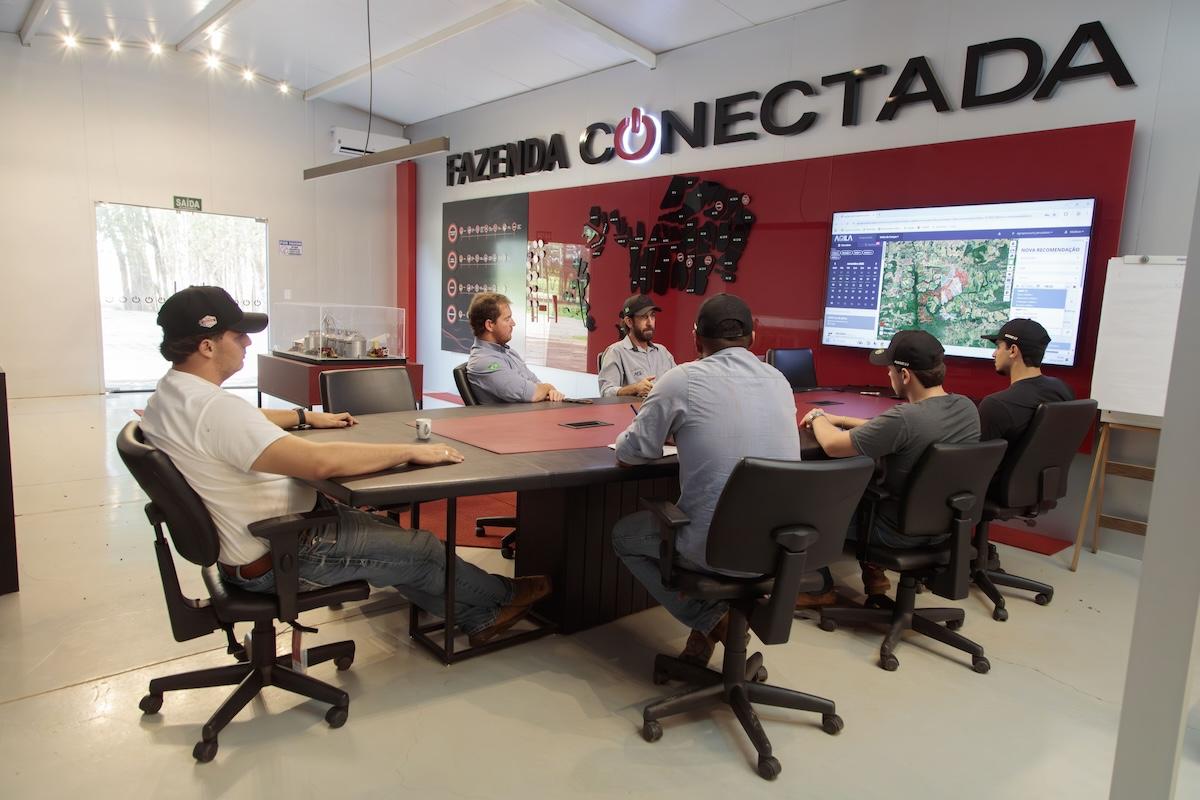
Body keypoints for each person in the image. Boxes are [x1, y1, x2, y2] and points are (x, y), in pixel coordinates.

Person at [140, 286, 550, 646]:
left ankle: (472, 609)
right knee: (421, 547)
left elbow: (242, 421)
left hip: (262, 541)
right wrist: (406, 451)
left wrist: (304, 418)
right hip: (281, 550)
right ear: (208, 346)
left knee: (392, 533)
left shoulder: (171, 397)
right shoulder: (214, 409)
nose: (247, 342)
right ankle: (500, 599)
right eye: (237, 334)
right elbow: (320, 461)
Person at [610, 294, 800, 667]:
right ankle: (712, 624)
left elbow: (630, 452)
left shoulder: (680, 380)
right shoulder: (780, 380)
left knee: (624, 536)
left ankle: (711, 618)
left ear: (697, 340)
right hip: (779, 546)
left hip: (713, 548)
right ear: (754, 338)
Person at [796, 329, 980, 606]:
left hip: (893, 532)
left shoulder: (905, 418)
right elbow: (891, 432)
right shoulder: (966, 408)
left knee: (811, 501)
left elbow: (833, 446)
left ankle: (819, 586)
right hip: (948, 526)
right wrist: (844, 419)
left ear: (905, 376)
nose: (888, 375)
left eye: (890, 370)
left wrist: (818, 417)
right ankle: (874, 577)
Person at [979, 318, 1075, 445]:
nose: (994, 353)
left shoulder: (996, 405)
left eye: (998, 346)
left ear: (1013, 350)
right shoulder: (1063, 390)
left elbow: (977, 461)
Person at [465, 292, 564, 403]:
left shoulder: (508, 352)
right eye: (507, 319)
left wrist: (548, 391)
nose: (513, 323)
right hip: (511, 419)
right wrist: (548, 387)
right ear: (489, 325)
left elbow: (535, 383)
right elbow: (531, 394)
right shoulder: (483, 362)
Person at [597, 294, 677, 398]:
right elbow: (606, 392)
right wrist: (634, 388)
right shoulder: (616, 352)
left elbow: (679, 383)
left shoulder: (662, 352)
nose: (650, 323)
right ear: (629, 322)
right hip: (633, 412)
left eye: (652, 316)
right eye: (644, 317)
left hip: (664, 411)